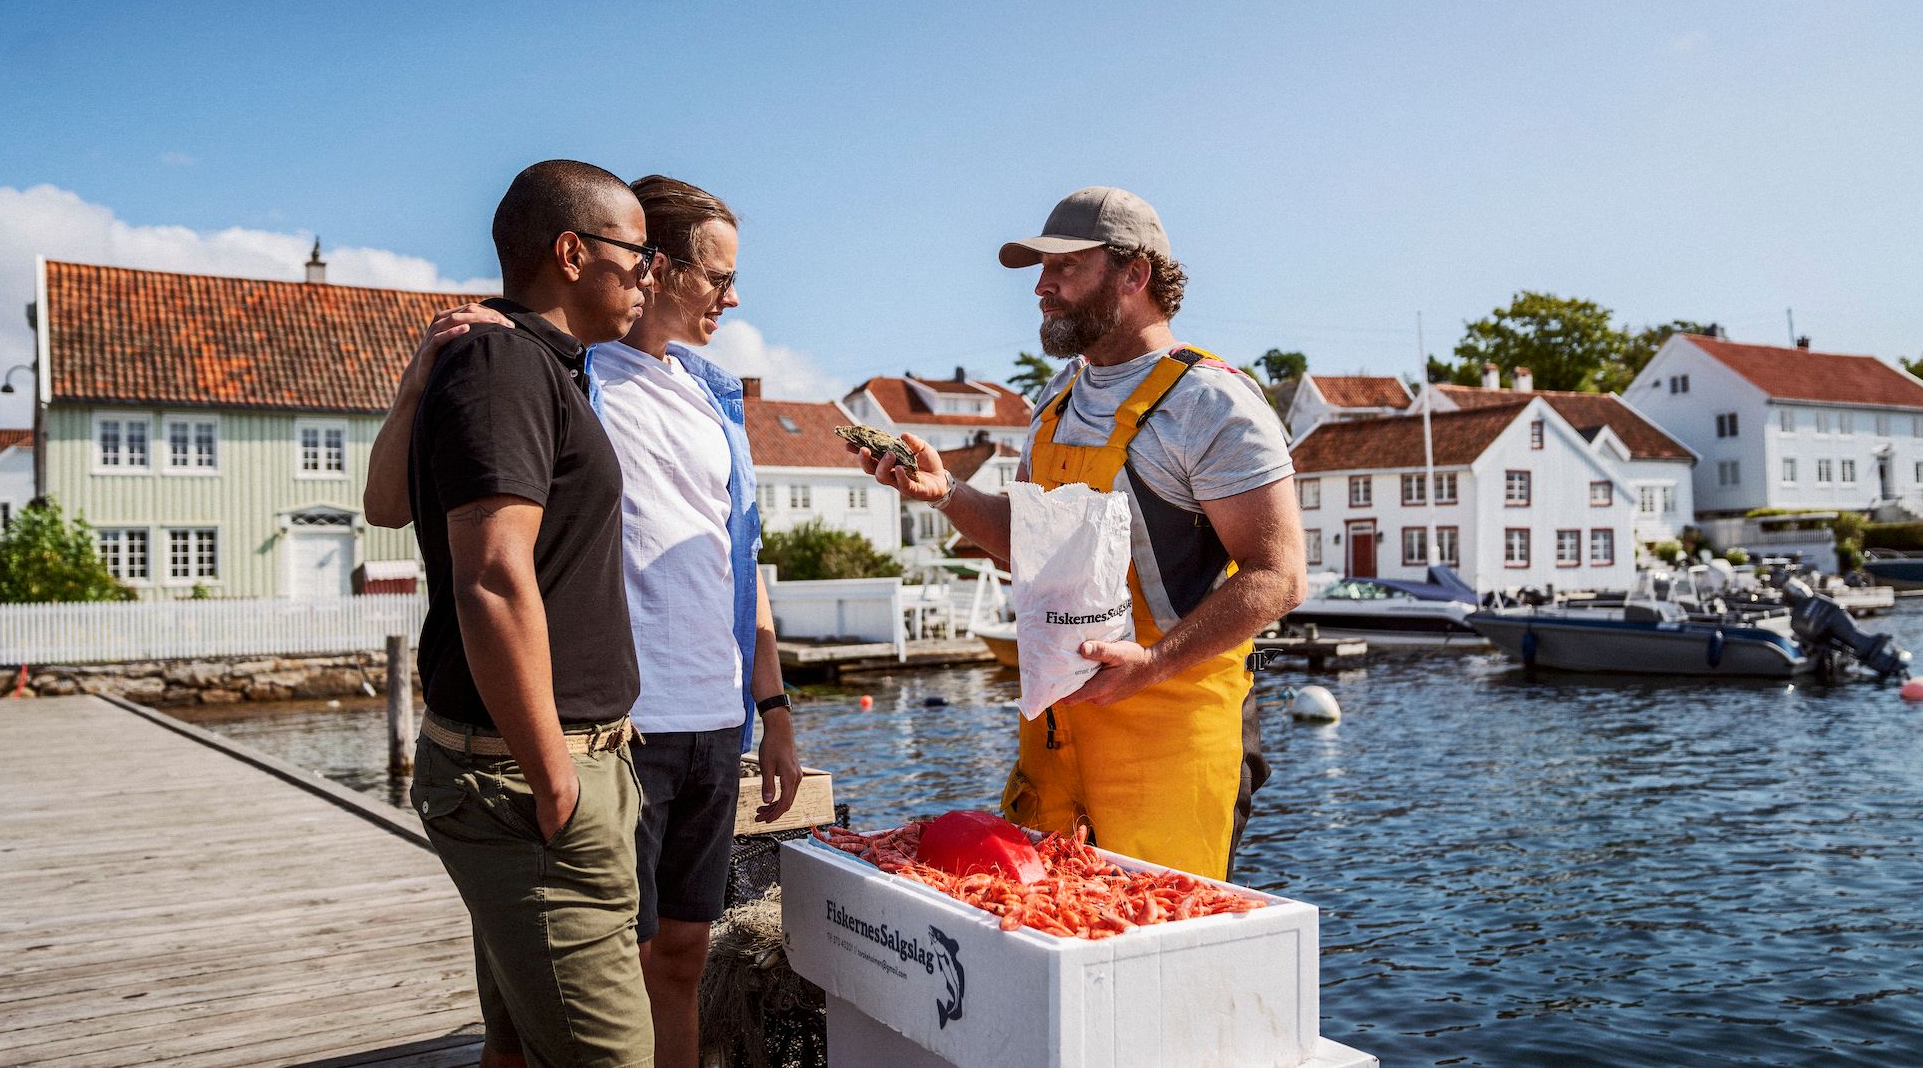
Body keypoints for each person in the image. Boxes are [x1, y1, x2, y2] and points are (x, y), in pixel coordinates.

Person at [368, 176, 801, 1068]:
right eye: (705, 272)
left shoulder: (703, 395)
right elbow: (481, 562)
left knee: (662, 963)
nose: (731, 295)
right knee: (556, 1023)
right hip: (596, 741)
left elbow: (739, 554)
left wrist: (775, 706)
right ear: (631, 262)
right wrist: (552, 770)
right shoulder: (544, 366)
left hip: (696, 725)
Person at [849, 186, 1307, 881]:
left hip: (1171, 733)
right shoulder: (1055, 402)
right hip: (1056, 732)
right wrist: (946, 493)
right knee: (1041, 935)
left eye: (1065, 267)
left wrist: (1151, 664)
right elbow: (1038, 547)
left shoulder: (1210, 403)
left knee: (1155, 945)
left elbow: (1279, 575)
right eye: (1040, 270)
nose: (1042, 286)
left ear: (1135, 273)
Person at [399, 159, 658, 1067]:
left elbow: (390, 503)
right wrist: (556, 782)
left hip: (543, 772)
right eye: (640, 254)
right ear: (572, 252)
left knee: (516, 1046)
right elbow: (495, 578)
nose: (650, 275)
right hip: (531, 783)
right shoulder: (505, 363)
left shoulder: (528, 363)